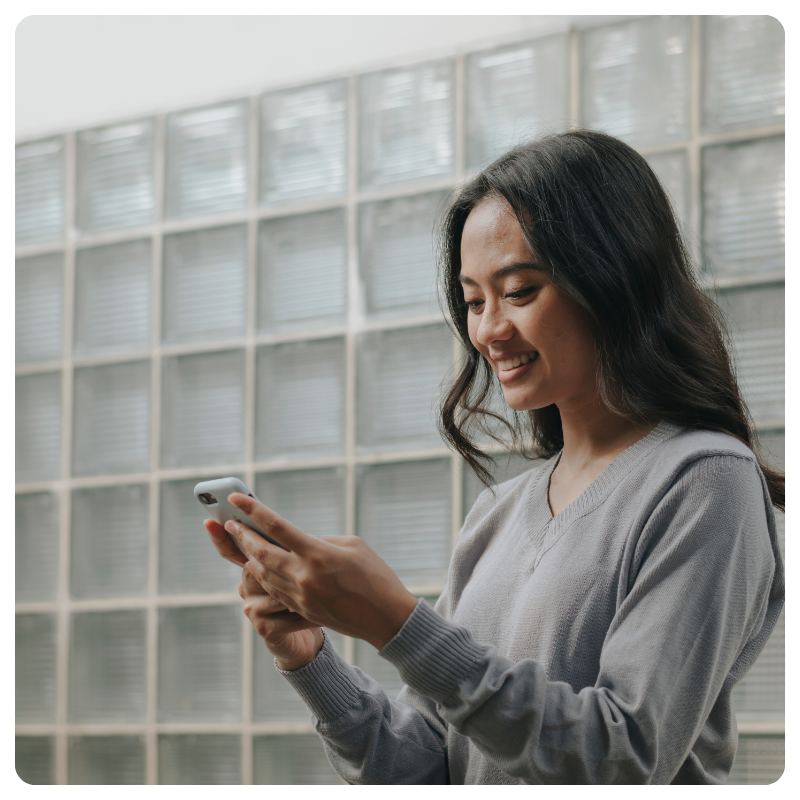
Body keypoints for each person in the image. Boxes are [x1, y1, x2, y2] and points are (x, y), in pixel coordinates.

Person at [205, 130, 785, 785]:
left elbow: (624, 758)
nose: (488, 330)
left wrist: (400, 625)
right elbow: (428, 767)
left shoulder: (704, 480)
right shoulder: (497, 514)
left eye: (519, 290)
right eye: (475, 300)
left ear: (614, 278)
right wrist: (310, 660)